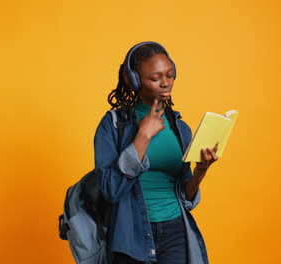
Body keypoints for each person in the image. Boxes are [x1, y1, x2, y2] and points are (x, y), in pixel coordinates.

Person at [93, 41, 218, 264]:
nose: (165, 83)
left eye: (170, 75)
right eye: (155, 77)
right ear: (134, 80)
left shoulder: (180, 127)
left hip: (176, 232)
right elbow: (110, 190)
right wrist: (142, 136)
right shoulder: (112, 125)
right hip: (131, 234)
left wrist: (200, 171)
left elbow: (184, 195)